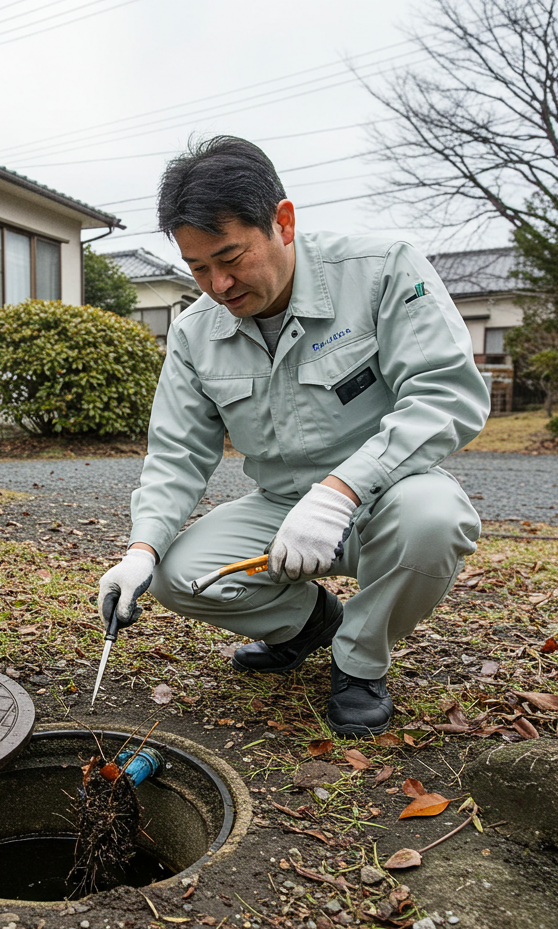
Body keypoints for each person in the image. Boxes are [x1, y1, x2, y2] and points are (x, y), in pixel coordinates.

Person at [97, 136, 489, 737]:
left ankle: (358, 662)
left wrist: (341, 491)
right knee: (178, 574)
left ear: (282, 221)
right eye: (198, 267)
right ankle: (311, 626)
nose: (219, 285)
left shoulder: (383, 269)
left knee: (434, 519)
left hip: (385, 496)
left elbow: (446, 395)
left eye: (230, 257)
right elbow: (177, 453)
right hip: (279, 508)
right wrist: (141, 548)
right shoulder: (195, 331)